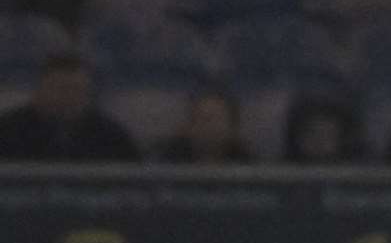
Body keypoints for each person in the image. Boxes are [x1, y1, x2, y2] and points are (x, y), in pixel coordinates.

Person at [0, 52, 137, 161]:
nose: (69, 97)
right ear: (39, 90)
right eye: (61, 89)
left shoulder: (110, 136)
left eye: (77, 90)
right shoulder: (7, 131)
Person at [158, 88, 252, 163]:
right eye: (202, 119)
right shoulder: (167, 164)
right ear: (189, 126)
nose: (209, 126)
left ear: (232, 127)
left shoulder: (250, 168)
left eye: (216, 119)